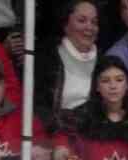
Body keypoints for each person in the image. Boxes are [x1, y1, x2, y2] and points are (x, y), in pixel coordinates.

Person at [34, 0, 100, 133]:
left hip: (95, 137)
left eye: (94, 22)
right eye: (82, 21)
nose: (89, 27)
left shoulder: (105, 61)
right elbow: (37, 108)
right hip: (54, 135)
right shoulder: (46, 58)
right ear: (65, 25)